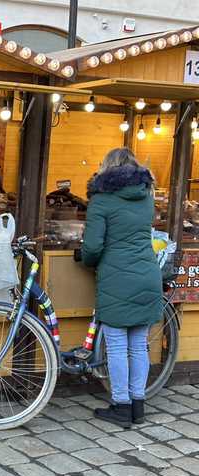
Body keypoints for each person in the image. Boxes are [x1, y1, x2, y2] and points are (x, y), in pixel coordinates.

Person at [81, 147, 163, 428]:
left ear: (107, 169)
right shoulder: (146, 197)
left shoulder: (101, 200)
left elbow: (92, 247)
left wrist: (85, 258)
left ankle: (121, 406)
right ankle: (137, 406)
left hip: (117, 278)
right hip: (148, 275)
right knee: (139, 345)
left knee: (116, 346)